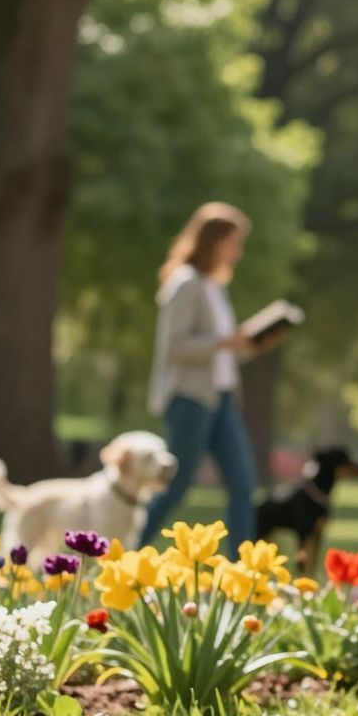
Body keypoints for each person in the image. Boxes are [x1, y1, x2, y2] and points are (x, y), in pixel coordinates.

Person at [140, 202, 278, 555]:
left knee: (243, 483)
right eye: (234, 242)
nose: (238, 251)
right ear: (213, 241)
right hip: (190, 398)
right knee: (175, 485)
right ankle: (126, 551)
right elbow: (176, 347)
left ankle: (243, 568)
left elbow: (221, 351)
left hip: (221, 397)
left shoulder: (215, 286)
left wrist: (252, 344)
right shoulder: (185, 283)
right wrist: (224, 342)